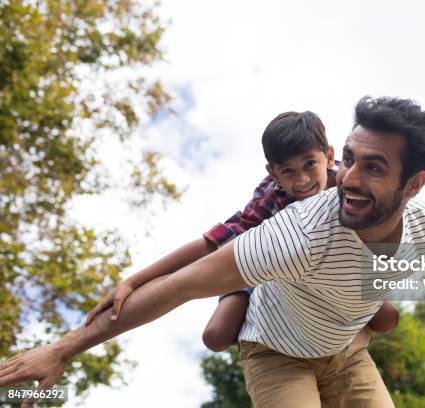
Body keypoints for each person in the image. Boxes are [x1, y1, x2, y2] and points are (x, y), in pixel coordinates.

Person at [0, 96, 425, 408]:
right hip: (278, 352)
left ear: (413, 184)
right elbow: (183, 283)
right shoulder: (298, 232)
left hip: (346, 352)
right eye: (348, 159)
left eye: (372, 167)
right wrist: (63, 348)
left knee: (383, 313)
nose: (347, 178)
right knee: (220, 333)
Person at [85, 110, 400, 353]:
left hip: (335, 270)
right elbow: (211, 244)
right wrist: (132, 281)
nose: (302, 181)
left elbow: (397, 233)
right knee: (216, 336)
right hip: (268, 263)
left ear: (328, 157)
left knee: (387, 320)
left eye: (309, 165)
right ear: (273, 173)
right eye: (287, 172)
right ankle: (268, 325)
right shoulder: (271, 196)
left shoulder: (349, 189)